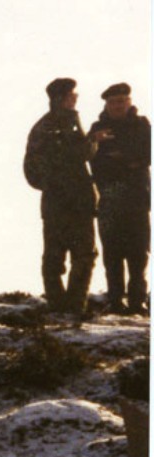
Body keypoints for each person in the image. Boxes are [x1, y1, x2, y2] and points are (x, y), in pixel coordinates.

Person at [23, 78, 101, 315]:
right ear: (61, 98)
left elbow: (32, 171)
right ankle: (71, 306)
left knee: (60, 256)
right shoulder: (59, 124)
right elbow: (76, 155)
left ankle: (62, 306)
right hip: (70, 201)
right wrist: (92, 142)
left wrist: (50, 186)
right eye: (71, 95)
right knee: (80, 255)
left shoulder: (45, 125)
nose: (75, 99)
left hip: (62, 201)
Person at [89, 82, 151, 315]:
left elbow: (146, 155)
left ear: (130, 102)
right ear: (107, 104)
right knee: (112, 254)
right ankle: (115, 300)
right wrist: (126, 161)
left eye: (122, 101)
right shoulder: (97, 128)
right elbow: (93, 161)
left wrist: (120, 158)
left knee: (138, 254)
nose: (118, 105)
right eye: (114, 102)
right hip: (109, 198)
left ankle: (137, 301)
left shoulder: (142, 126)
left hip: (137, 199)